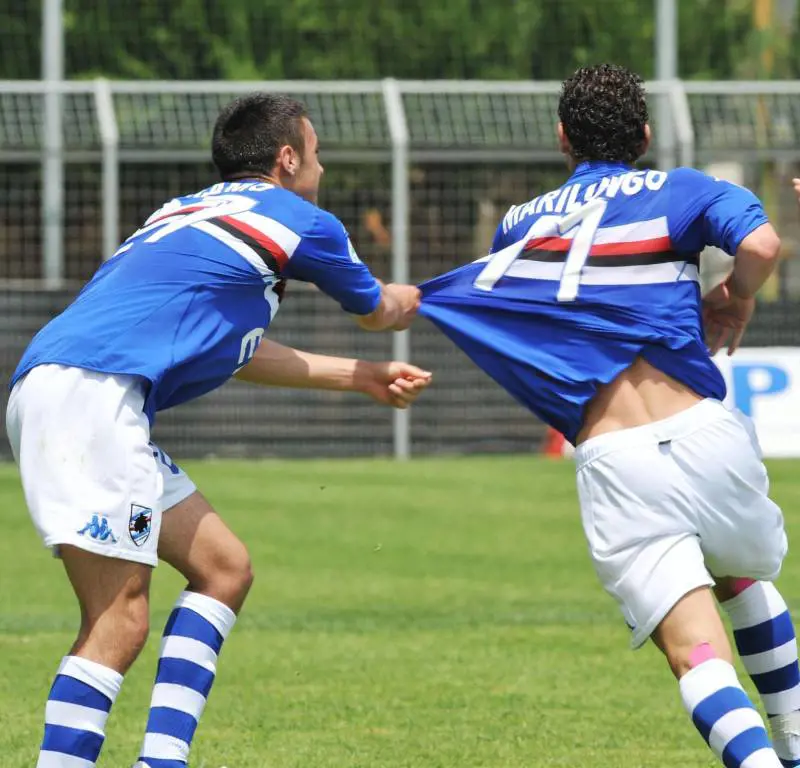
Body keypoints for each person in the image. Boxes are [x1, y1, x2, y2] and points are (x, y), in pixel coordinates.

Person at [6, 92, 430, 768]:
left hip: (66, 388)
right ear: (287, 158)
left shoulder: (182, 211)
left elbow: (235, 349)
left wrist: (362, 377)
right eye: (316, 154)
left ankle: (162, 761)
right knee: (118, 620)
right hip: (94, 398)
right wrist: (407, 300)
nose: (321, 169)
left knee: (223, 568)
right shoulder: (301, 220)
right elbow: (376, 309)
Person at [420, 64, 799, 768]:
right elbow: (762, 245)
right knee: (740, 576)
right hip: (707, 435)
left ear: (563, 137)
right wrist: (736, 295)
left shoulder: (518, 225)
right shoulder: (682, 189)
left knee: (696, 651)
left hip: (618, 457)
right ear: (646, 135)